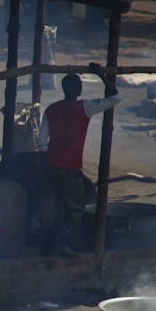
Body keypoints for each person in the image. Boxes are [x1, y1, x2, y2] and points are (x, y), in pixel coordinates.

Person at [38, 64, 121, 254]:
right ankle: (62, 246)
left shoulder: (51, 109)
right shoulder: (85, 107)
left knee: (53, 209)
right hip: (69, 171)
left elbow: (42, 142)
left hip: (51, 167)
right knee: (75, 210)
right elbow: (115, 98)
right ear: (79, 89)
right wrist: (102, 75)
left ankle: (48, 245)